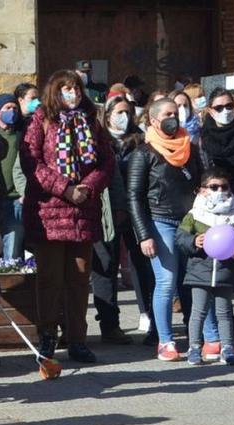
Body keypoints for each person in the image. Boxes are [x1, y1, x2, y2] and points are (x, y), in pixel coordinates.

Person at [20, 70, 116, 364]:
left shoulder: (91, 121)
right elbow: (31, 162)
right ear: (54, 92)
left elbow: (106, 161)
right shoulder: (40, 121)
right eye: (65, 88)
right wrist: (65, 188)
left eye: (75, 88)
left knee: (78, 279)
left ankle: (77, 339)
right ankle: (47, 336)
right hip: (49, 211)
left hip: (83, 211)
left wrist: (88, 187)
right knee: (49, 279)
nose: (71, 93)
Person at [128, 97, 206, 361]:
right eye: (169, 113)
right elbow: (135, 197)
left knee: (193, 280)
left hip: (189, 223)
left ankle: (203, 338)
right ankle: (165, 341)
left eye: (178, 112)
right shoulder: (143, 153)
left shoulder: (191, 150)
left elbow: (202, 184)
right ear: (153, 120)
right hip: (160, 222)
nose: (175, 117)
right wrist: (144, 235)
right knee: (166, 281)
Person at [98, 94, 153, 345]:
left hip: (136, 208)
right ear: (107, 114)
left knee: (141, 262)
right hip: (107, 210)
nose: (124, 117)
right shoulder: (100, 139)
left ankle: (149, 315)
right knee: (105, 266)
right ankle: (110, 323)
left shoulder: (140, 140)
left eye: (127, 112)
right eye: (118, 112)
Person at [176, 168, 234, 365]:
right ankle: (194, 347)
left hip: (224, 273)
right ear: (202, 190)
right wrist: (194, 241)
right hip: (199, 272)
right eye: (213, 187)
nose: (219, 190)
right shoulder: (194, 215)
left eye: (224, 187)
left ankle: (227, 347)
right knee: (198, 311)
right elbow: (180, 238)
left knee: (225, 312)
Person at [0, 93, 25, 260]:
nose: (12, 111)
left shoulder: (22, 134)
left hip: (16, 199)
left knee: (12, 246)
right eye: (7, 108)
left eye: (14, 108)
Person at [201, 87, 234, 180]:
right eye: (219, 108)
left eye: (229, 106)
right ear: (210, 110)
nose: (225, 111)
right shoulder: (203, 136)